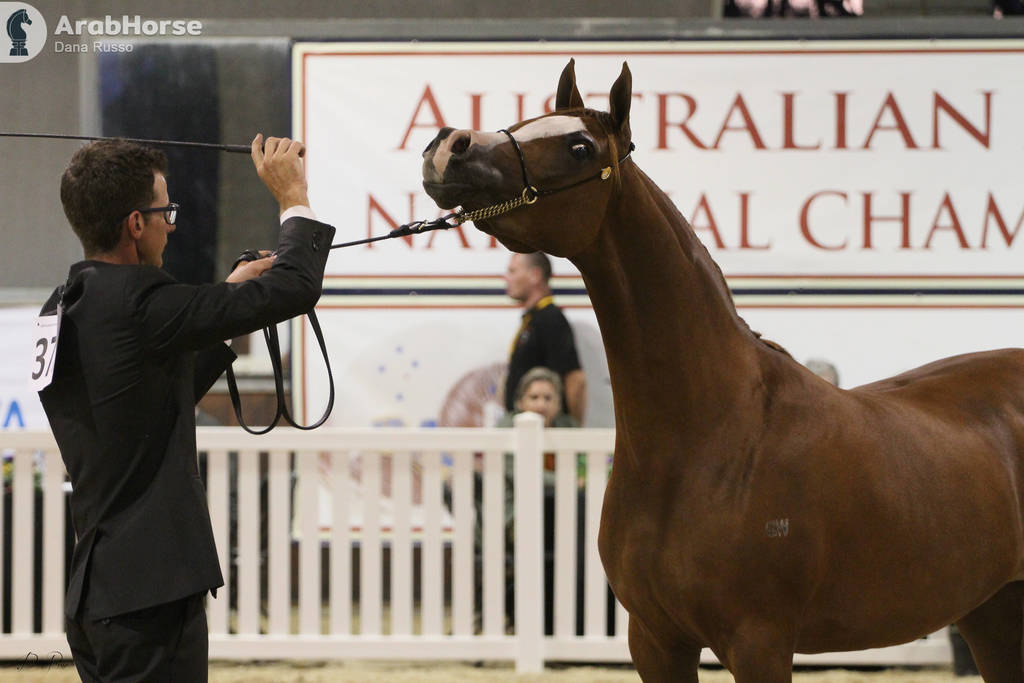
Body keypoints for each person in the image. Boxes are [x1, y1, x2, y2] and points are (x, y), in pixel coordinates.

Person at [37, 134, 335, 682]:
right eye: (164, 212)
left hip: (99, 592)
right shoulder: (143, 304)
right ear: (135, 224)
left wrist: (224, 303)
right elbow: (293, 289)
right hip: (150, 593)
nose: (170, 224)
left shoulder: (65, 304)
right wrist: (292, 197)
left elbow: (142, 403)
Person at [503, 252, 587, 426]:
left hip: (547, 435)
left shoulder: (551, 319)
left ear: (535, 275)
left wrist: (573, 429)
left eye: (512, 271)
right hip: (526, 429)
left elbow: (575, 380)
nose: (507, 278)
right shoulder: (533, 320)